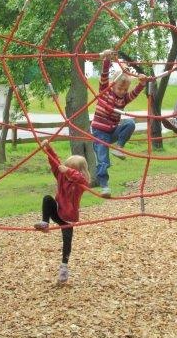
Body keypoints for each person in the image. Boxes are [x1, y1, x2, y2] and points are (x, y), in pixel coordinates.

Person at [90, 49, 147, 198]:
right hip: (99, 133)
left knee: (130, 123)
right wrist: (107, 60)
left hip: (112, 131)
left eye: (125, 89)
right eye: (120, 88)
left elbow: (134, 94)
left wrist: (141, 84)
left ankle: (119, 147)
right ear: (113, 85)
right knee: (103, 160)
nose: (122, 91)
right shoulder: (105, 91)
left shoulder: (123, 99)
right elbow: (104, 77)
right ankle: (104, 186)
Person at [33, 140, 89, 284]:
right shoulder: (61, 175)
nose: (65, 170)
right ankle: (45, 223)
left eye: (71, 169)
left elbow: (80, 178)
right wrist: (48, 147)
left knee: (67, 241)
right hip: (57, 211)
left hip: (68, 218)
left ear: (78, 171)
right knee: (47, 198)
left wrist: (69, 171)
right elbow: (54, 162)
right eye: (66, 167)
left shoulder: (81, 184)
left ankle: (64, 267)